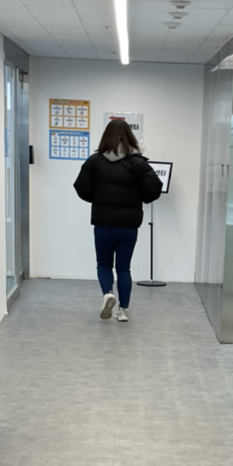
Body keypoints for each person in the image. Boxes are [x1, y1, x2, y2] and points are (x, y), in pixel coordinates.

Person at [73, 118, 162, 322]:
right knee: (123, 268)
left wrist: (99, 198)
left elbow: (81, 187)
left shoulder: (94, 161)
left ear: (106, 137)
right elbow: (154, 189)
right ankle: (123, 310)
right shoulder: (138, 163)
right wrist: (140, 197)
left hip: (103, 222)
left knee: (104, 264)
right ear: (130, 137)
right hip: (129, 225)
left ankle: (107, 294)